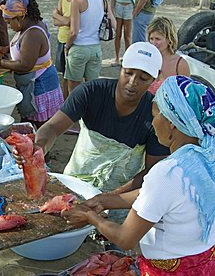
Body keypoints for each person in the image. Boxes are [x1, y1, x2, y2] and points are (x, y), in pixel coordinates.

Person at [62, 75, 215, 276]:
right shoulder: (204, 158)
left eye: (157, 112)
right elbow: (155, 198)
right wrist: (106, 200)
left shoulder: (168, 171)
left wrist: (91, 217)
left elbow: (126, 238)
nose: (152, 119)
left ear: (173, 124)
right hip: (201, 274)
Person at [14, 42, 169, 221]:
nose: (133, 83)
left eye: (143, 78)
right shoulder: (91, 92)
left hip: (120, 197)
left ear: (155, 78)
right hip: (76, 184)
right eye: (128, 73)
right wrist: (38, 148)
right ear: (121, 67)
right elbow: (53, 127)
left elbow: (151, 171)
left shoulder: (155, 115)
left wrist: (109, 198)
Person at [0, 0, 64, 127]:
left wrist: (0, 63)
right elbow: (23, 47)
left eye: (9, 22)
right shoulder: (28, 25)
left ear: (20, 18)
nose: (8, 26)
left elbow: (25, 65)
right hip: (35, 84)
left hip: (40, 87)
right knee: (29, 126)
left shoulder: (32, 34)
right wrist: (6, 49)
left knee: (39, 128)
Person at [64, 0, 105, 94]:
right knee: (92, 89)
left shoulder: (78, 1)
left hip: (79, 48)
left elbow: (74, 32)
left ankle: (75, 114)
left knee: (74, 91)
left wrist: (67, 46)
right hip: (96, 48)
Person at [52, 0, 77, 99]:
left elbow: (68, 21)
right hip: (61, 40)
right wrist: (63, 19)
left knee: (72, 78)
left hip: (73, 42)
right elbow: (56, 21)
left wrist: (58, 16)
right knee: (64, 76)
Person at [148, 16, 190, 95]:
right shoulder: (148, 59)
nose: (153, 43)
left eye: (157, 39)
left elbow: (186, 95)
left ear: (169, 39)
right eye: (151, 39)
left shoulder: (180, 64)